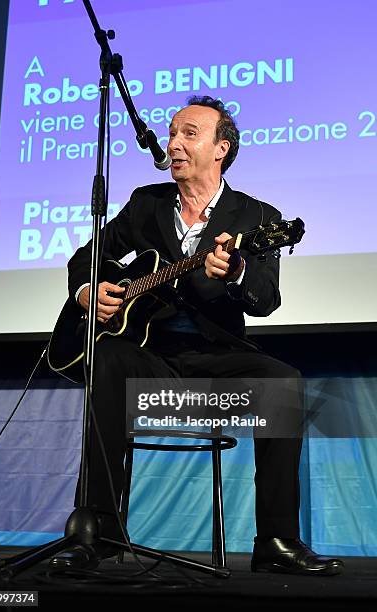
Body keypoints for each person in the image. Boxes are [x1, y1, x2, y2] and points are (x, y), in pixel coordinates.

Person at [50, 96, 343, 575]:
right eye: (171, 134)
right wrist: (87, 291)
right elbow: (86, 258)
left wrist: (236, 271)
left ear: (221, 148)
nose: (173, 144)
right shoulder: (147, 203)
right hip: (150, 357)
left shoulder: (257, 217)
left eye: (189, 134)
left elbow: (266, 298)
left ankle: (276, 541)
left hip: (216, 359)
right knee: (106, 360)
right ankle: (94, 533)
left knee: (284, 382)